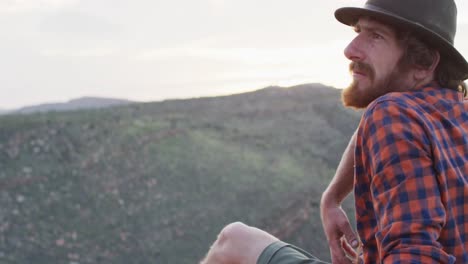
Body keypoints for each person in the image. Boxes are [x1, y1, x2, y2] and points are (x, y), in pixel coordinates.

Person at [200, 0, 468, 263]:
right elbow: (377, 126)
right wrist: (332, 197)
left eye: (376, 36)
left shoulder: (391, 112)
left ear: (424, 62)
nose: (351, 50)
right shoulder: (451, 111)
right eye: (358, 32)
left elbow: (414, 254)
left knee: (233, 241)